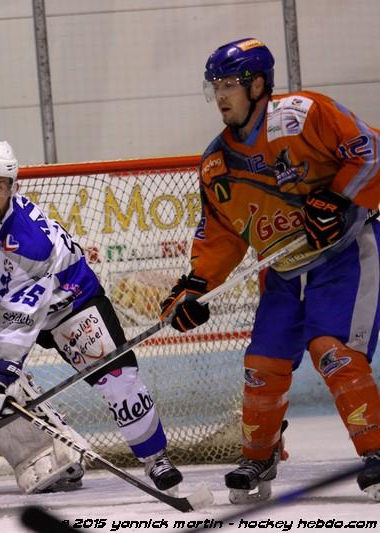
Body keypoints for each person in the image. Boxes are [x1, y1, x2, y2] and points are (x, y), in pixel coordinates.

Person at [159, 38, 380, 504]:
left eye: (229, 84)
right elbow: (221, 236)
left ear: (257, 85)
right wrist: (194, 286)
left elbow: (371, 152)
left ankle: (376, 451)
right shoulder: (216, 164)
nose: (220, 96)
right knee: (262, 364)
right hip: (282, 270)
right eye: (215, 86)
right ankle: (259, 457)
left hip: (344, 255)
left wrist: (337, 198)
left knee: (334, 352)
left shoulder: (302, 115)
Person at [0, 138, 184, 510]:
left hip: (68, 299)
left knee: (119, 381)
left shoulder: (29, 242)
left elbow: (23, 312)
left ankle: (155, 458)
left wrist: (4, 372)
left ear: (13, 187)